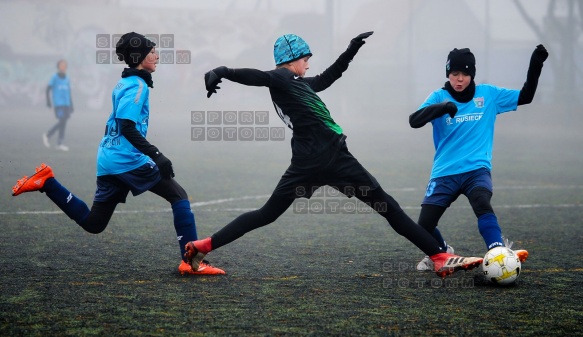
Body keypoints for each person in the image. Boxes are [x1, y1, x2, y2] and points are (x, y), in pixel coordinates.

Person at [185, 32, 484, 278]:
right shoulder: (280, 78)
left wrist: (351, 50)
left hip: (306, 163)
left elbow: (330, 77)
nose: (309, 64)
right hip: (333, 158)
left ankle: (203, 246)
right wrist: (221, 71)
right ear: (292, 60)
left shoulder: (298, 84)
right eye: (306, 59)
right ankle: (439, 256)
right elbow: (256, 76)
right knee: (387, 206)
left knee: (266, 214)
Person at [12, 32, 224, 275]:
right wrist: (157, 155)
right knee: (178, 195)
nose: (156, 55)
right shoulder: (137, 86)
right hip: (127, 160)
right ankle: (191, 262)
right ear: (139, 56)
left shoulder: (125, 81)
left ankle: (47, 182)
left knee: (94, 223)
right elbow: (126, 126)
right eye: (152, 51)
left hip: (109, 159)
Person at [408, 45, 548, 271]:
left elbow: (526, 96)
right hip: (445, 172)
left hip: (476, 169)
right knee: (423, 226)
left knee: (482, 203)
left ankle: (498, 251)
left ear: (472, 74)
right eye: (454, 74)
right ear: (448, 74)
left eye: (464, 74)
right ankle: (443, 252)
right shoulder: (438, 96)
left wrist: (536, 63)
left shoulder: (489, 95)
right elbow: (414, 120)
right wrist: (442, 108)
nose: (459, 79)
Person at [44, 59, 73, 151]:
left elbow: (69, 92)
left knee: (64, 122)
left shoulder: (67, 78)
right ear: (58, 66)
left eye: (65, 65)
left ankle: (59, 143)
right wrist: (48, 101)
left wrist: (71, 104)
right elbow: (48, 89)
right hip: (59, 104)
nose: (63, 66)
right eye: (62, 65)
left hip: (66, 104)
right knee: (62, 120)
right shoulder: (55, 77)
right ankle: (48, 135)